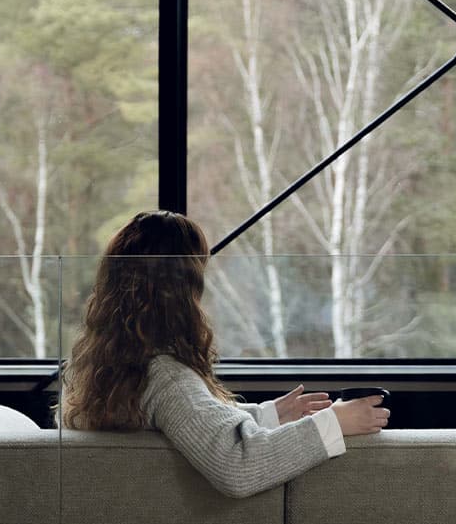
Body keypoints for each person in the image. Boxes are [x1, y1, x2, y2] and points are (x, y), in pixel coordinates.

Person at [57, 210, 390, 497]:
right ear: (181, 290)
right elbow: (238, 465)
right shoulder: (166, 377)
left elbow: (188, 424)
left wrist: (268, 416)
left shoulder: (102, 368)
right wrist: (335, 423)